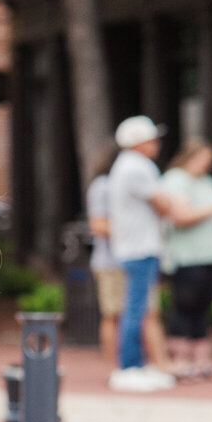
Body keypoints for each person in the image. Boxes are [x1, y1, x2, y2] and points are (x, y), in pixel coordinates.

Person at [106, 115, 177, 392]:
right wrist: (172, 202)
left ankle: (135, 364)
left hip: (132, 246)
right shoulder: (138, 167)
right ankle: (129, 366)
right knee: (136, 308)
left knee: (138, 307)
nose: (155, 143)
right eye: (151, 139)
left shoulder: (124, 165)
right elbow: (163, 204)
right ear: (139, 142)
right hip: (140, 247)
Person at [159, 138, 212, 379]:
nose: (208, 164)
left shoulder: (206, 181)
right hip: (188, 255)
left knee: (203, 306)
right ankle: (180, 360)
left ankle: (201, 359)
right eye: (204, 159)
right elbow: (181, 217)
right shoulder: (174, 180)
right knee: (186, 305)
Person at [85, 151, 126, 369]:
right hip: (109, 262)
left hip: (125, 260)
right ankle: (113, 365)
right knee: (112, 314)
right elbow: (98, 225)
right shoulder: (102, 185)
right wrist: (131, 233)